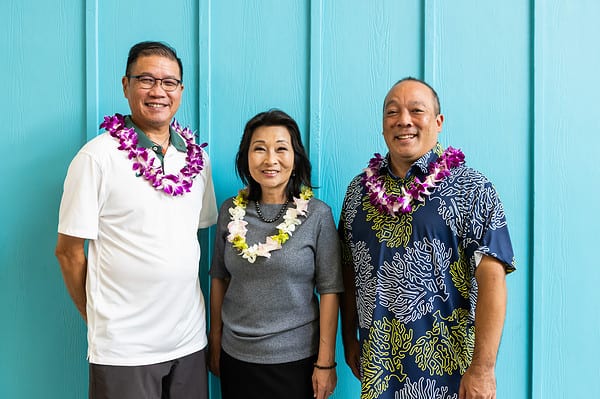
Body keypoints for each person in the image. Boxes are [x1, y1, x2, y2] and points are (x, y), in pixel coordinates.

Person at [54, 41, 217, 399]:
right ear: (126, 86)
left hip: (188, 342)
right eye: (146, 80)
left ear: (181, 91)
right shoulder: (97, 158)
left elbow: (193, 236)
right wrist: (99, 317)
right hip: (124, 350)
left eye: (169, 82)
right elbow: (68, 252)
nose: (158, 91)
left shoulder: (196, 161)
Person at [338, 77, 515, 399]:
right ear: (382, 125)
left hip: (452, 375)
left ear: (438, 122)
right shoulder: (358, 192)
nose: (403, 120)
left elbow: (493, 280)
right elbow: (349, 270)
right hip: (378, 369)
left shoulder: (472, 188)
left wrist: (483, 369)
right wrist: (348, 337)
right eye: (392, 112)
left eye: (416, 110)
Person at [208, 109, 343, 399]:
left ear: (295, 158)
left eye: (281, 148)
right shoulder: (230, 211)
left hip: (296, 363)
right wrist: (215, 339)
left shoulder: (318, 215)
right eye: (259, 149)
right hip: (236, 358)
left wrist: (325, 362)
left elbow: (330, 291)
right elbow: (219, 277)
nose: (270, 160)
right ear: (246, 157)